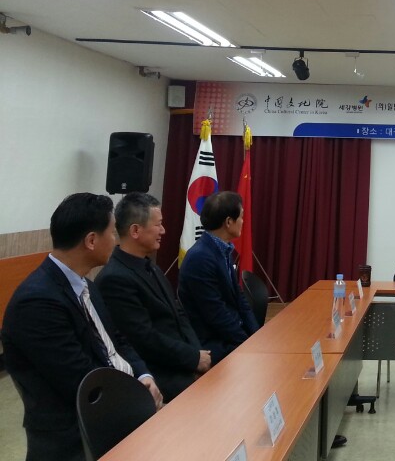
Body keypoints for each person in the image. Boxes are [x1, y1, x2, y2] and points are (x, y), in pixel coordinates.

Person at [2, 193, 162, 461]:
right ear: (91, 241)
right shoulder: (37, 302)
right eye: (112, 232)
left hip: (115, 402)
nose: (116, 240)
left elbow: (117, 341)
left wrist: (143, 375)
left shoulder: (86, 284)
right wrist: (139, 398)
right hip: (76, 431)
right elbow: (82, 382)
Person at [95, 192, 211, 401]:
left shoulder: (150, 266)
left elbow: (179, 314)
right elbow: (144, 339)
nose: (163, 230)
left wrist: (197, 355)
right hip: (156, 372)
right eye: (158, 225)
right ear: (135, 230)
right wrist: (192, 359)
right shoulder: (114, 279)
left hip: (181, 360)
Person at [178, 190, 260, 363]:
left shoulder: (221, 249)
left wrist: (257, 335)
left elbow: (239, 298)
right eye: (241, 217)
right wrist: (248, 344)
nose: (243, 221)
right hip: (212, 341)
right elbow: (216, 314)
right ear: (229, 222)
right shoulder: (200, 258)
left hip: (229, 333)